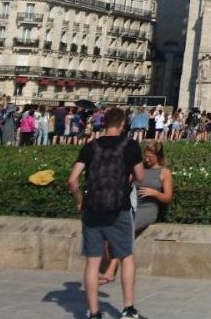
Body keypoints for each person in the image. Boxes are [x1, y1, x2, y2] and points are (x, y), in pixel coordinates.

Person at [68, 106, 145, 319]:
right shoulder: (130, 145)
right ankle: (128, 309)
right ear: (122, 124)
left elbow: (72, 180)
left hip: (92, 207)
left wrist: (80, 200)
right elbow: (140, 177)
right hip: (119, 208)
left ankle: (94, 313)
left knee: (93, 261)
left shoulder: (91, 146)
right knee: (127, 257)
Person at [100, 140, 174, 285]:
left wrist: (155, 193)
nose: (146, 159)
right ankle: (109, 268)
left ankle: (110, 271)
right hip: (131, 205)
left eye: (150, 156)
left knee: (123, 231)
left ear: (157, 156)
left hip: (148, 209)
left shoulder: (164, 172)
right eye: (145, 156)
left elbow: (168, 197)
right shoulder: (139, 168)